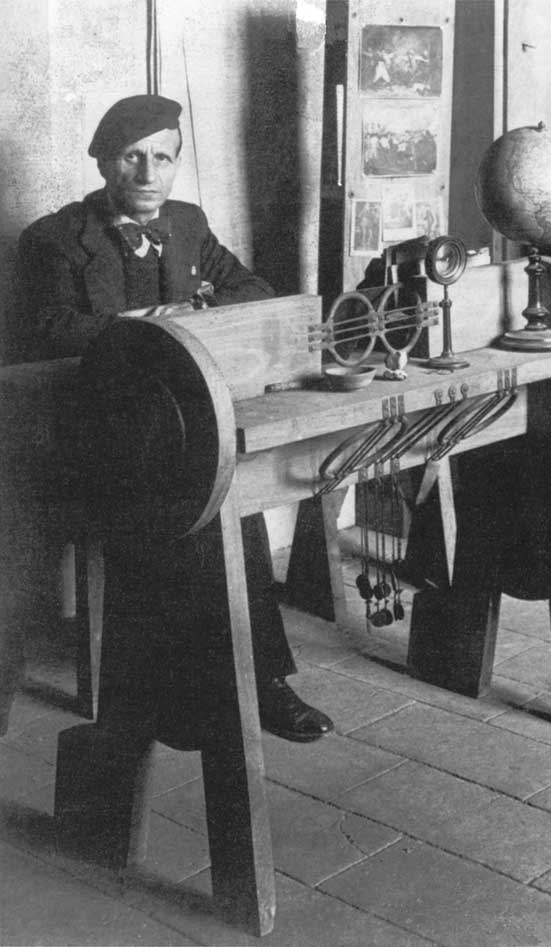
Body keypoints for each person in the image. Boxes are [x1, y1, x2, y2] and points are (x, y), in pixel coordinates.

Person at [17, 94, 334, 744]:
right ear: (104, 161)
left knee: (225, 484)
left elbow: (253, 289)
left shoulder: (187, 223)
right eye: (132, 157)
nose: (147, 173)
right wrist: (139, 328)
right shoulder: (55, 238)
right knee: (198, 496)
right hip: (94, 436)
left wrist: (200, 309)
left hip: (179, 431)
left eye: (162, 158)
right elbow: (49, 328)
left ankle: (256, 683)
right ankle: (206, 699)